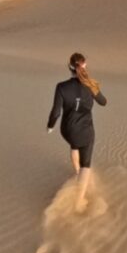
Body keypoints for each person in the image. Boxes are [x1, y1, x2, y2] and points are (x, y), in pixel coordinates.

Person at [47, 52, 108, 212]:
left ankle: (76, 173)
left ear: (70, 67)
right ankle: (79, 201)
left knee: (75, 146)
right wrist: (93, 88)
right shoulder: (91, 85)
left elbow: (55, 112)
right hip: (85, 131)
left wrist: (50, 126)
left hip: (67, 130)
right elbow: (103, 102)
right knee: (85, 165)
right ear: (85, 66)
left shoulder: (61, 87)